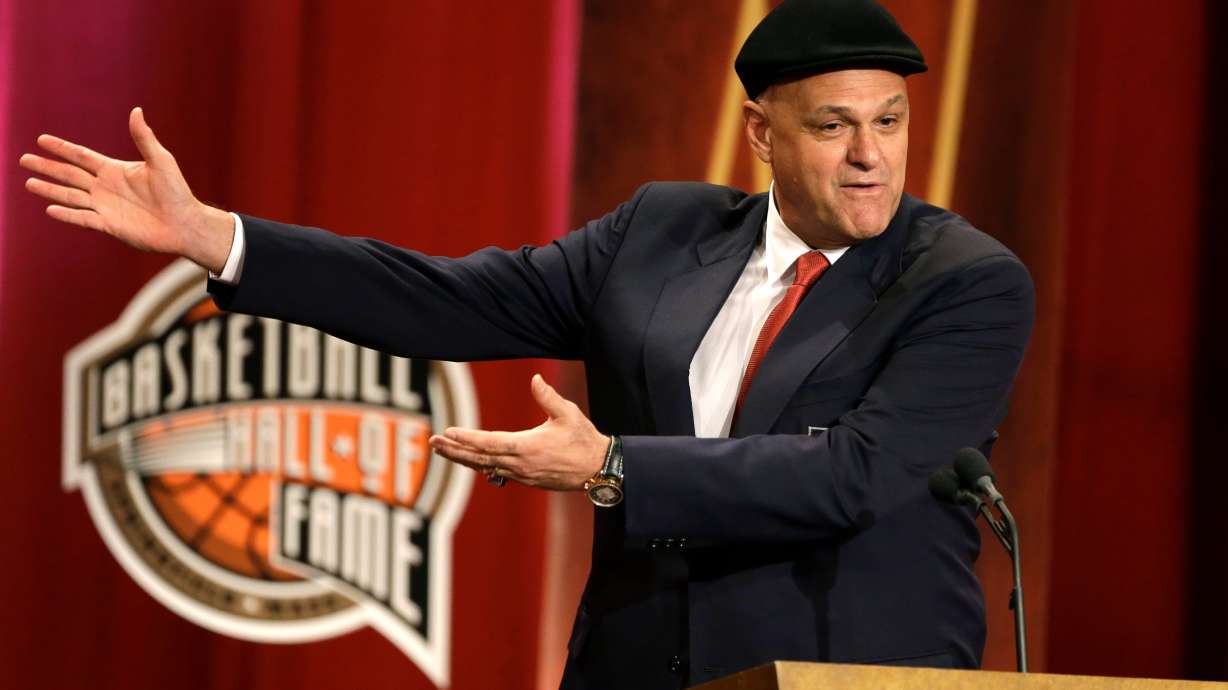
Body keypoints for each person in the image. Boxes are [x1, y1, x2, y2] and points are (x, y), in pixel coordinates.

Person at [20, 0, 1034, 687]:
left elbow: (849, 477)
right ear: (761, 135)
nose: (870, 156)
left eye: (889, 122)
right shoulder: (662, 231)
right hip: (635, 667)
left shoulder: (963, 282)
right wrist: (218, 238)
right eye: (833, 125)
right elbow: (449, 300)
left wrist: (610, 467)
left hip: (839, 671)